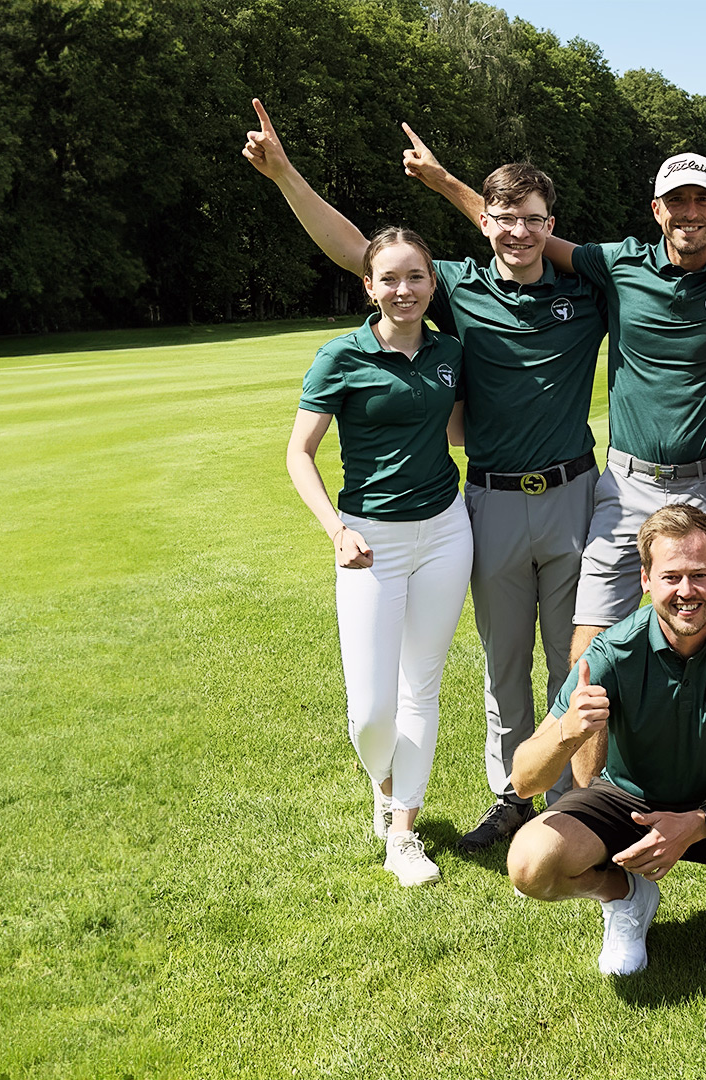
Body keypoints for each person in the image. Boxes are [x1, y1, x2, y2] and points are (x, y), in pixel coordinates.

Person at [244, 101, 603, 854]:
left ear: (551, 223)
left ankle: (573, 801)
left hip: (573, 496)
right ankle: (512, 797)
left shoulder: (586, 290)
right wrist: (285, 175)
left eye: (534, 219)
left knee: (572, 662)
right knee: (503, 667)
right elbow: (362, 251)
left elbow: (648, 262)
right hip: (490, 503)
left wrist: (445, 181)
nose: (517, 231)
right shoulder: (457, 289)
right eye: (503, 218)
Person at [395, 129, 706, 671]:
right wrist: (444, 182)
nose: (689, 211)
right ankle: (584, 756)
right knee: (589, 652)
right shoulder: (618, 266)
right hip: (627, 484)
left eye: (703, 200)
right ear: (656, 209)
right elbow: (517, 232)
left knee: (699, 638)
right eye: (677, 200)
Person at [506, 506, 706, 984]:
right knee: (529, 864)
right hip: (629, 800)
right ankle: (624, 896)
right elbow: (523, 780)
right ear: (645, 580)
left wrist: (696, 823)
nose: (686, 592)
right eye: (671, 577)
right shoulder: (611, 650)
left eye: (700, 575)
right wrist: (567, 732)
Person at [284, 227, 473, 886]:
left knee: (420, 689)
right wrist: (337, 530)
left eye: (416, 277)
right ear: (368, 287)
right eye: (389, 279)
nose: (404, 290)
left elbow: (457, 429)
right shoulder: (340, 357)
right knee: (369, 711)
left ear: (431, 283)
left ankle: (403, 833)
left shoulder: (450, 351)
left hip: (447, 533)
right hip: (369, 543)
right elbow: (298, 454)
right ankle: (386, 780)